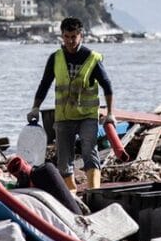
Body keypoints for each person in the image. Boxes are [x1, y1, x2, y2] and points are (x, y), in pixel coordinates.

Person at [28, 17, 114, 192]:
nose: (70, 41)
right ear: (62, 36)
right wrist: (35, 107)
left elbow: (107, 86)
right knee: (64, 160)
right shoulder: (56, 58)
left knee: (89, 152)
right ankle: (73, 194)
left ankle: (93, 191)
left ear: (81, 36)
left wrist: (110, 113)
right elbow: (44, 84)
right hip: (64, 117)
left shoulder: (92, 58)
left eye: (73, 36)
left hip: (87, 116)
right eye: (66, 36)